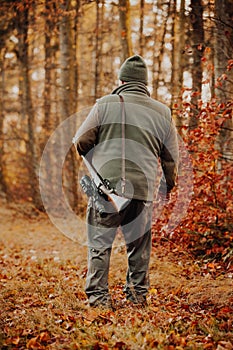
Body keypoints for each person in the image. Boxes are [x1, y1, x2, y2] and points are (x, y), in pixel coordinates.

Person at [73, 55, 179, 309]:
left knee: (100, 245)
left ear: (121, 80)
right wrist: (168, 186)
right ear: (145, 84)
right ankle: (137, 298)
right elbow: (171, 158)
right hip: (142, 192)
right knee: (138, 248)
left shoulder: (105, 104)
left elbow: (81, 141)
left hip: (105, 190)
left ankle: (98, 300)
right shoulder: (163, 112)